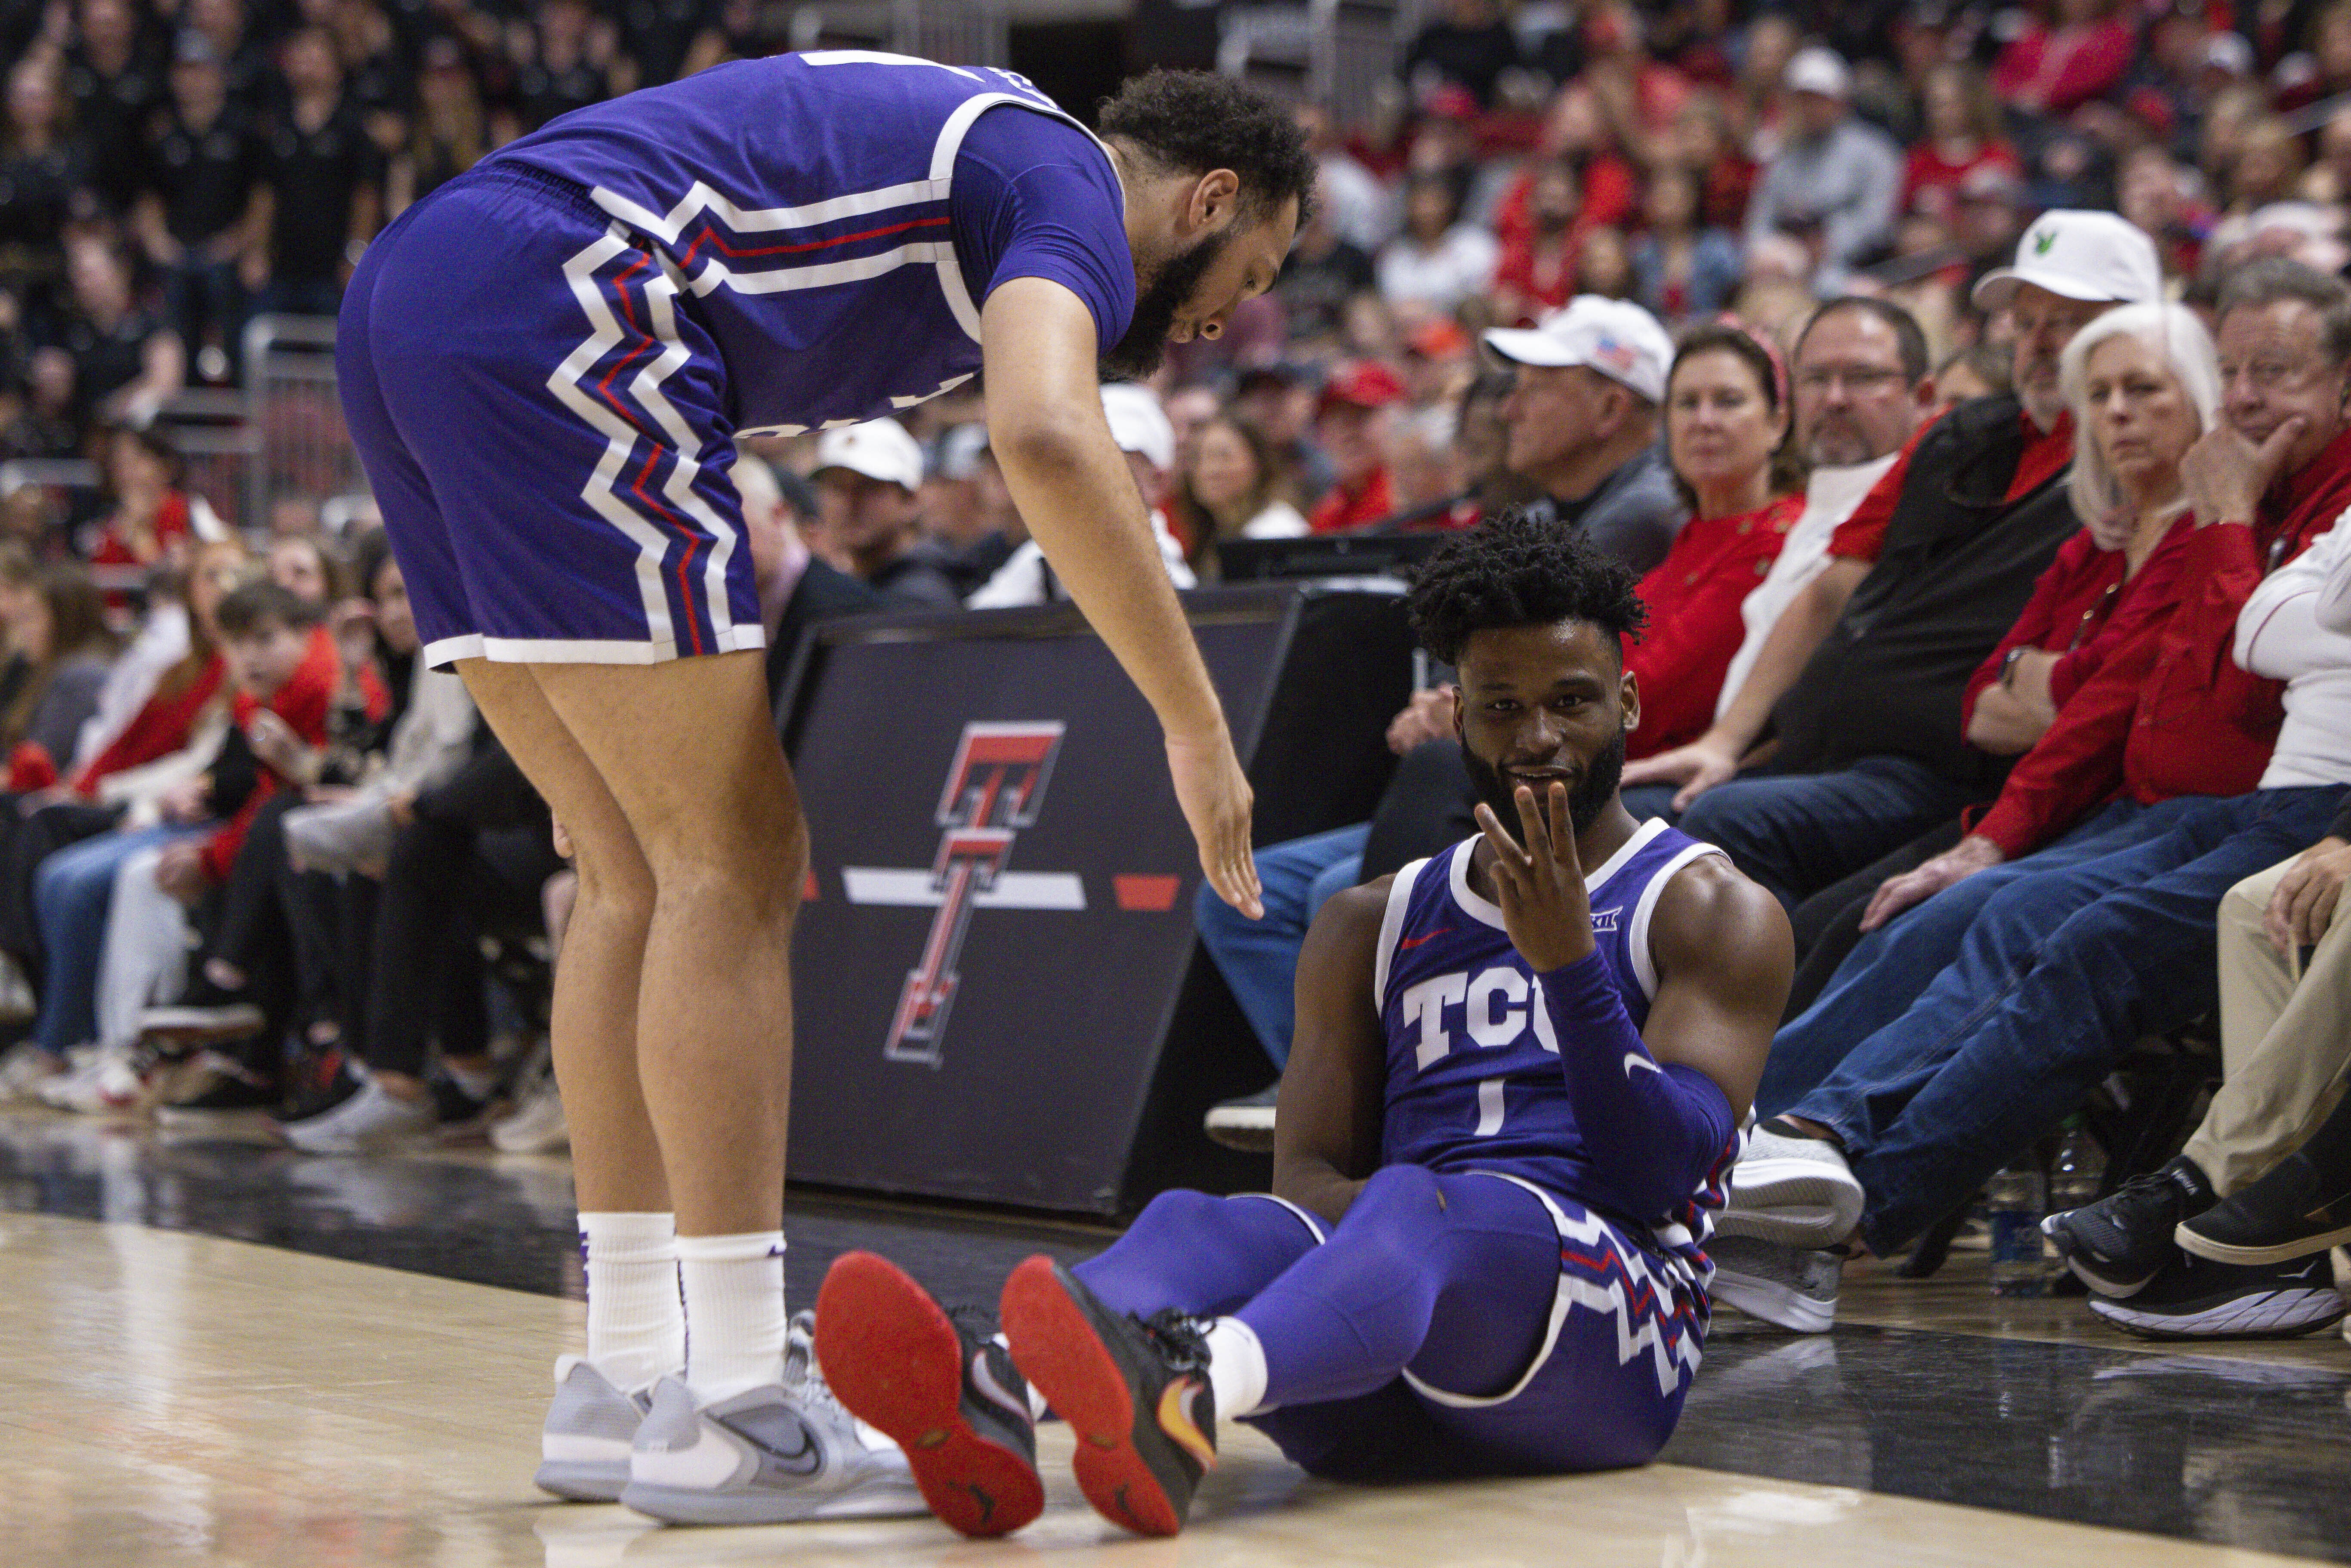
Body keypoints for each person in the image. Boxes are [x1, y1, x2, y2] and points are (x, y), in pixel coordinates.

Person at [335, 59, 1305, 1526]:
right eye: (1251, 271)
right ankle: (737, 1401)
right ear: (1210, 200)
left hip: (417, 290)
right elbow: (1042, 431)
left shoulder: (977, 149)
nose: (1234, 314)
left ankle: (622, 1375)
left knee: (625, 868)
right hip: (572, 286)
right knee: (734, 854)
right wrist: (1190, 718)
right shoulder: (1065, 183)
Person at [810, 512, 1790, 1541]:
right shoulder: (1371, 919)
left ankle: (1188, 1379)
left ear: (1626, 701)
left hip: (1611, 1351)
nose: (1537, 736)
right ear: (1459, 715)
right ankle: (991, 1382)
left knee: (1424, 1205)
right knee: (1214, 1218)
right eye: (1502, 707)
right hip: (1378, 1367)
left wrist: (1570, 974)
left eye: (1570, 702)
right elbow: (1310, 1180)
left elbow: (1660, 1178)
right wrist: (1387, 1259)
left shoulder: (1707, 907)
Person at [1720, 263, 2351, 1330]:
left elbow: (2234, 675)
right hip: (2161, 809)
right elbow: (2002, 700)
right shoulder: (2213, 507)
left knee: (2038, 924)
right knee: (1930, 906)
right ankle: (1751, 1139)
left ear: (2341, 387)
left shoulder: (2262, 501)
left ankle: (1838, 1210)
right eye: (2233, 369)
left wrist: (2230, 525)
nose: (2242, 398)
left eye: (2271, 372)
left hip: (2247, 812)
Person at [1623, 212, 2161, 910]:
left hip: (1946, 775)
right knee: (1629, 819)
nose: (2037, 343)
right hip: (1826, 755)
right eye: (2025, 322)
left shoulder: (2127, 472)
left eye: (2064, 320)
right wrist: (1724, 742)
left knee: (1715, 833)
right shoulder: (1960, 433)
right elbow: (1831, 589)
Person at [1622, 324, 1802, 762]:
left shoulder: (1780, 537)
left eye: (1728, 401)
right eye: (1687, 403)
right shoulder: (1691, 537)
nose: (1704, 420)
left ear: (1778, 422)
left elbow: (1649, 703)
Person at [1483, 294, 1686, 575]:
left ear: (1610, 409)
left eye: (1534, 388)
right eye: (1516, 387)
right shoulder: (1541, 518)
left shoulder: (1645, 516)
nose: (1508, 411)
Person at [1743, 48, 1901, 295]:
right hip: (1788, 268)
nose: (1809, 108)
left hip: (1857, 269)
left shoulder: (1874, 150)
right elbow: (1759, 223)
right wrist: (1767, 253)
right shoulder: (1782, 157)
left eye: (1818, 99)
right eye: (1802, 99)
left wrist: (1828, 244)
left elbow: (1878, 219)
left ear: (1841, 100)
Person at [808, 418, 960, 611]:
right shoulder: (845, 584)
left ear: (910, 501)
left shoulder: (922, 595)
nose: (851, 502)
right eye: (837, 487)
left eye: (869, 486)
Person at [1305, 361, 1404, 534]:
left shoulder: (1414, 501)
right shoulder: (1326, 515)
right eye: (1335, 422)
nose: (1346, 434)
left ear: (1399, 420)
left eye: (1360, 417)